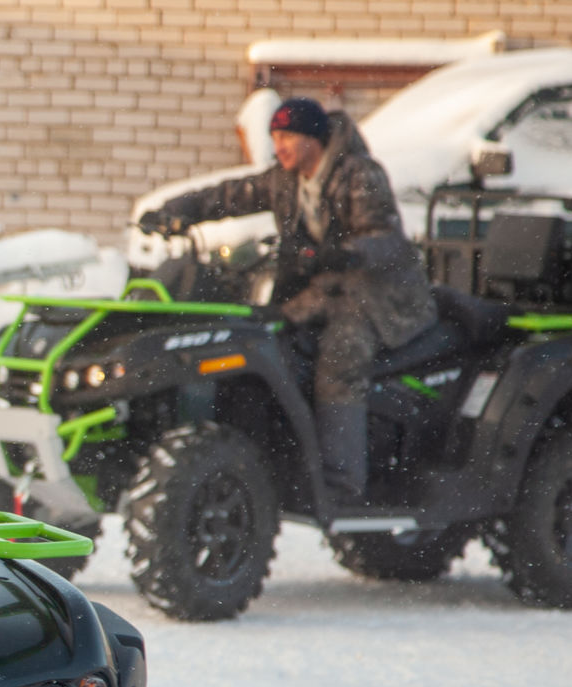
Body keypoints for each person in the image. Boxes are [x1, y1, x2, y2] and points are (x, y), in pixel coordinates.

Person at [137, 97, 435, 506]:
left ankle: (340, 483)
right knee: (265, 342)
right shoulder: (285, 179)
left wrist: (347, 252)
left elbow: (384, 237)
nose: (279, 147)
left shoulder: (359, 174)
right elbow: (231, 195)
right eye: (275, 137)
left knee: (338, 361)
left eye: (288, 137)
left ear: (314, 138)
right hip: (324, 291)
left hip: (376, 296)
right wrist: (177, 211)